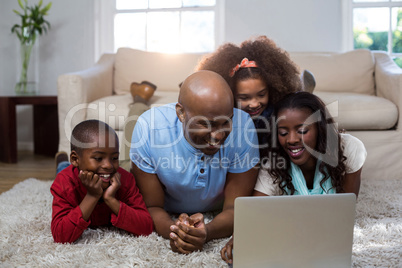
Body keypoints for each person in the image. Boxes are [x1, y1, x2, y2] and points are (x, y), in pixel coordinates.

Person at [220, 92, 367, 264]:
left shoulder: (349, 149)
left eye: (302, 131)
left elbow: (345, 213)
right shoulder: (274, 165)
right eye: (283, 132)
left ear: (320, 128)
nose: (291, 140)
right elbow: (255, 213)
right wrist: (238, 240)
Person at [130, 70, 260, 254]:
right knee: (128, 140)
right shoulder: (148, 128)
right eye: (206, 124)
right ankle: (140, 98)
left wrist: (207, 232)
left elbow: (235, 208)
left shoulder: (243, 126)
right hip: (150, 133)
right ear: (181, 113)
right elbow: (152, 207)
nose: (218, 136)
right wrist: (175, 232)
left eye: (226, 122)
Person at [50, 119, 153, 243]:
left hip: (86, 171)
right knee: (62, 169)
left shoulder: (125, 180)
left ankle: (63, 161)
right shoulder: (64, 182)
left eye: (114, 158)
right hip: (70, 170)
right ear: (75, 159)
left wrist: (110, 199)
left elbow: (146, 228)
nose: (108, 165)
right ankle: (62, 160)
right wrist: (92, 196)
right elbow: (60, 236)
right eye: (99, 158)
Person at [196, 35, 305, 150]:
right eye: (244, 98)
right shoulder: (226, 119)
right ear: (230, 95)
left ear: (272, 89)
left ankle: (301, 92)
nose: (254, 104)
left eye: (261, 95)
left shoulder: (276, 113)